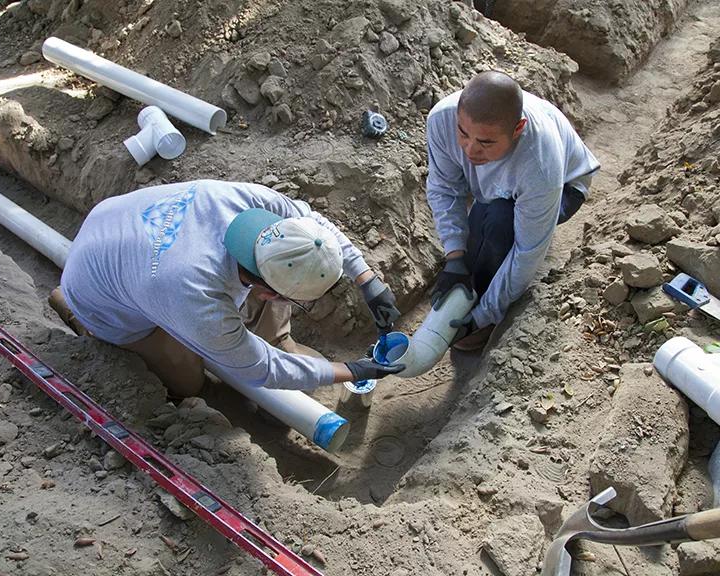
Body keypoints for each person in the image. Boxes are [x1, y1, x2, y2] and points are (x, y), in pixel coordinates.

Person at [49, 179, 403, 398]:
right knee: (188, 383)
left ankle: (269, 339)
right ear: (270, 293)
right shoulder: (195, 293)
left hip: (118, 226)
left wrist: (368, 281)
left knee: (247, 337)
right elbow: (258, 368)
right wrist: (352, 371)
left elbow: (315, 229)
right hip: (97, 294)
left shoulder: (255, 209)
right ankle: (72, 309)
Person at [426, 70, 600, 351]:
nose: (470, 149)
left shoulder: (539, 165)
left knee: (499, 222)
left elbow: (527, 250)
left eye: (486, 142)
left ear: (517, 129)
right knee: (478, 236)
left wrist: (481, 317)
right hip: (498, 187)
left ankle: (483, 314)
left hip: (566, 186)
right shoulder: (443, 119)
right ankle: (469, 283)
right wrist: (455, 257)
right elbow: (444, 189)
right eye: (463, 133)